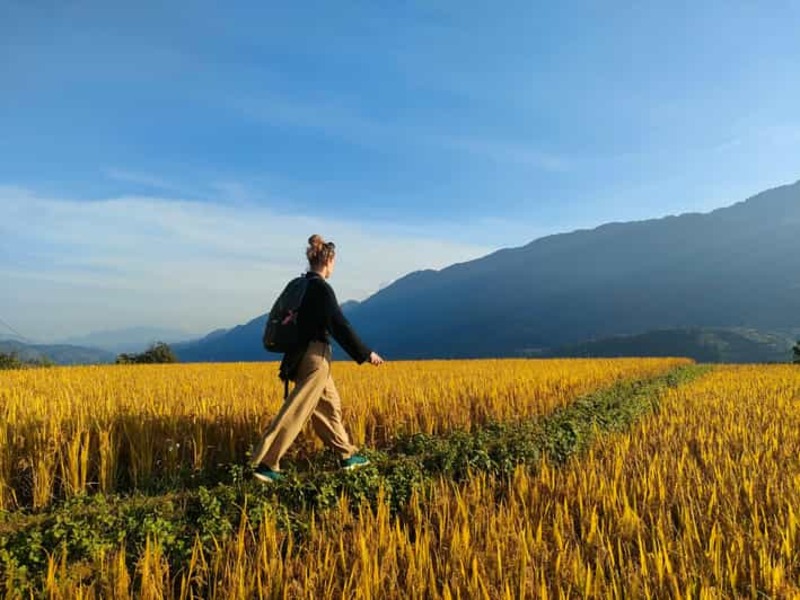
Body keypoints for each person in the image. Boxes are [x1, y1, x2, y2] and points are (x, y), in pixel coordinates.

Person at [251, 234, 385, 482]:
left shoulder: (299, 287)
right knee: (298, 408)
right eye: (334, 262)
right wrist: (366, 353)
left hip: (299, 355)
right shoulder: (321, 289)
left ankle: (346, 455)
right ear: (328, 260)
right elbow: (339, 325)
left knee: (328, 406)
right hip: (316, 357)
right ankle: (266, 463)